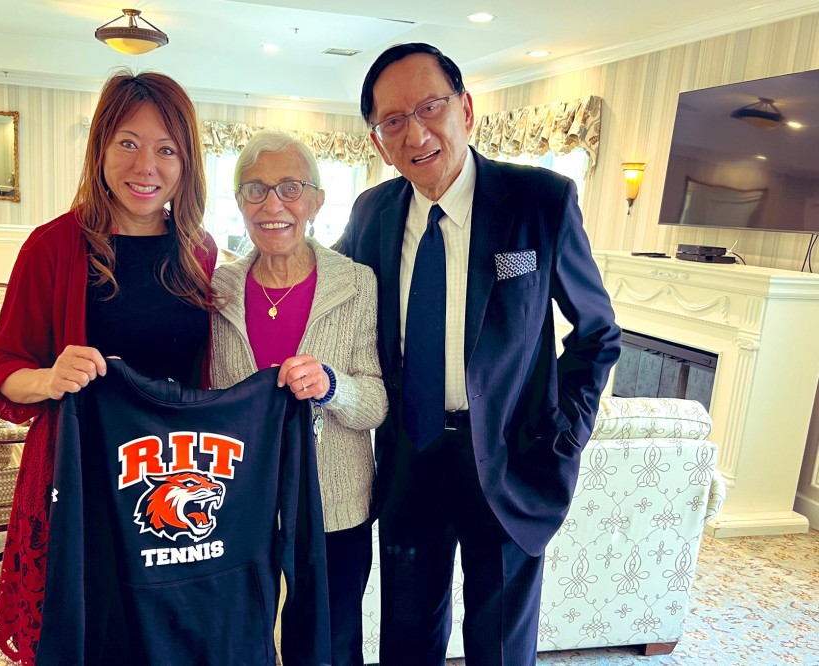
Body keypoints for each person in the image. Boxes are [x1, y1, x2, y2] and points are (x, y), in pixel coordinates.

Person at [336, 43, 621, 666]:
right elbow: (325, 296)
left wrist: (565, 435)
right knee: (406, 637)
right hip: (410, 456)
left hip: (509, 457)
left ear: (465, 108)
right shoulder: (372, 213)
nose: (415, 132)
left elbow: (598, 333)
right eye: (392, 121)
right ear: (378, 141)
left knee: (499, 644)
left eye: (430, 106)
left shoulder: (540, 202)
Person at [0, 70, 217, 665]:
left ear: (187, 163)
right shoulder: (54, 245)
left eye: (167, 149)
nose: (146, 166)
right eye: (128, 143)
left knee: (163, 631)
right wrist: (49, 378)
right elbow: (2, 366)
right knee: (85, 632)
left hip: (169, 476)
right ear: (101, 147)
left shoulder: (202, 251)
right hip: (78, 476)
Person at [210, 130, 387, 666]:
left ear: (315, 199)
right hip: (243, 501)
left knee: (328, 639)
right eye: (255, 190)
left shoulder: (356, 283)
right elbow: (209, 396)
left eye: (290, 187)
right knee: (241, 632)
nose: (273, 204)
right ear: (239, 202)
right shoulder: (217, 289)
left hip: (335, 499)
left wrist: (332, 386)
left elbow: (376, 401)